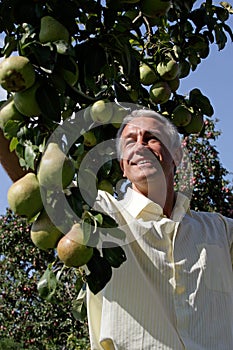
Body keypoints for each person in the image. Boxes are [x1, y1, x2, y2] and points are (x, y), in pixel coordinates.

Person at [1, 109, 233, 349]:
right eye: (131, 141)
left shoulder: (220, 231)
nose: (140, 146)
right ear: (123, 165)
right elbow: (38, 182)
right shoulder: (99, 214)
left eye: (151, 138)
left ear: (176, 155)